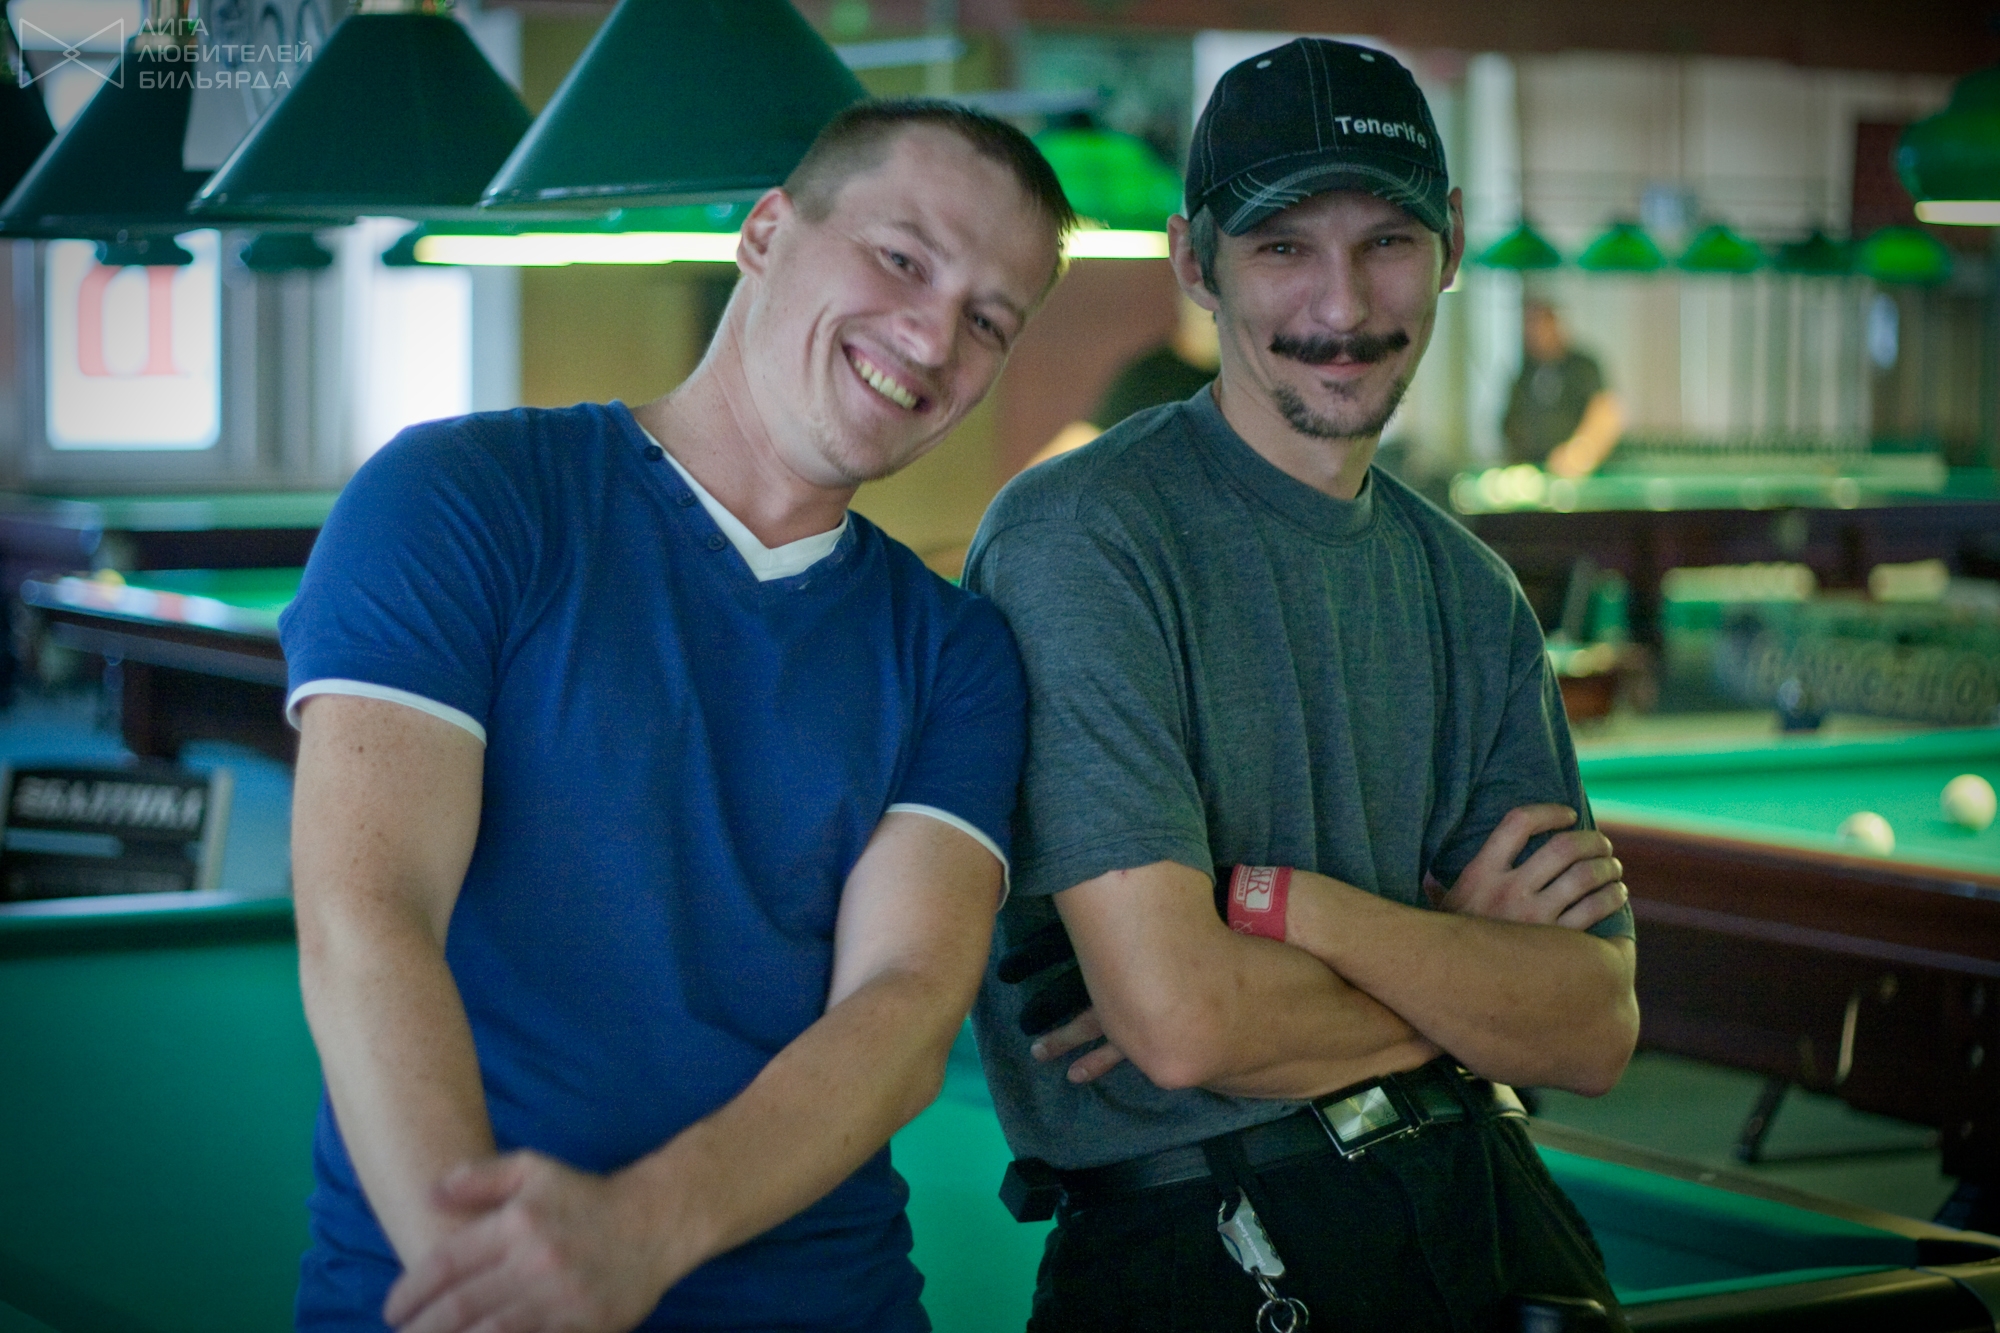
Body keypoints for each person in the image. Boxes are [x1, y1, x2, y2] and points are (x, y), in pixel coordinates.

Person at [280, 100, 1072, 1333]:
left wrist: (635, 1235)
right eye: (901, 259)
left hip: (816, 1300)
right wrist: (494, 1285)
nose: (930, 337)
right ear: (764, 232)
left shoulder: (955, 649)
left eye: (987, 321)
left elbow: (904, 1001)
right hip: (442, 1289)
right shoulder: (459, 499)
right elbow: (366, 916)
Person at [963, 40, 1639, 1332]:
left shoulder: (1471, 593)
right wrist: (1456, 966)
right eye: (1283, 247)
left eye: (1386, 242)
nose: (1343, 304)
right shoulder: (1081, 541)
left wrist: (1290, 910)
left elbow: (1590, 1026)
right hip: (1200, 1253)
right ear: (1193, 262)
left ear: (1450, 246)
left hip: (1485, 1218)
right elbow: (1183, 1023)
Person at [1502, 298, 1626, 477]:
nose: (1535, 332)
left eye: (1541, 322)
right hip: (1536, 474)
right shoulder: (1525, 373)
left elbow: (1606, 414)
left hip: (1583, 476)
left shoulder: (1583, 366)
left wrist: (1580, 453)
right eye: (1529, 324)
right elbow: (1511, 426)